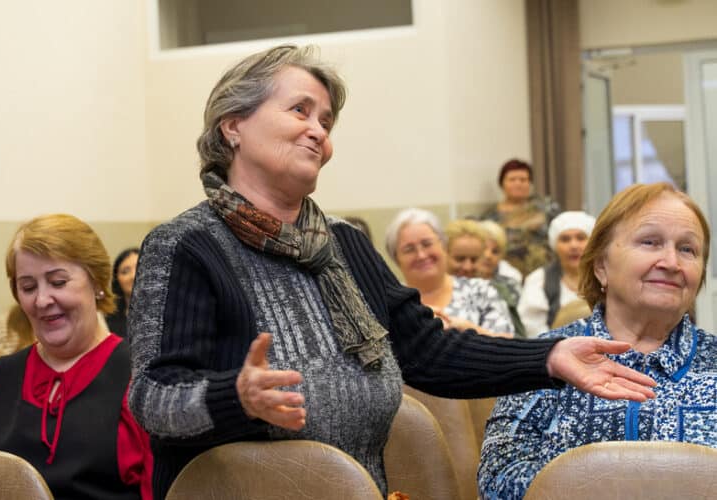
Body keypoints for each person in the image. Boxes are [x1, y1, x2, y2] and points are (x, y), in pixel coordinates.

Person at [125, 44, 655, 499]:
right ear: (233, 125)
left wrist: (549, 357)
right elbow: (153, 399)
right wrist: (236, 397)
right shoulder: (187, 245)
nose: (317, 132)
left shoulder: (344, 243)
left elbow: (427, 351)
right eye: (300, 110)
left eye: (326, 121)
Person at [479, 183, 716, 499]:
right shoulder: (543, 359)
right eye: (650, 242)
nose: (672, 263)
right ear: (601, 266)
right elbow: (497, 480)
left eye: (688, 249)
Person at [0, 214, 152, 500]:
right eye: (28, 287)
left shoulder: (142, 379)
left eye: (58, 282)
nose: (42, 300)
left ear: (97, 282)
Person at [384, 209, 514, 336]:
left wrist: (469, 330)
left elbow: (509, 344)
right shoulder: (392, 304)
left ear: (443, 245)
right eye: (409, 249)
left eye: (427, 244)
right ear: (396, 258)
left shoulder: (480, 290)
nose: (421, 255)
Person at [517, 211, 596, 337]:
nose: (573, 245)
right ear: (554, 245)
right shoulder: (539, 280)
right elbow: (533, 331)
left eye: (580, 238)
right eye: (565, 239)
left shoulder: (606, 277)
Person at [480, 159, 561, 277]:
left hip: (545, 275)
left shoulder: (547, 207)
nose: (518, 184)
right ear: (502, 183)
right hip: (506, 276)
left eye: (523, 180)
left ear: (530, 183)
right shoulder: (490, 216)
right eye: (512, 179)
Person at [477, 219, 526, 337]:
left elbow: (521, 327)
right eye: (483, 249)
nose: (488, 255)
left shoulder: (510, 285)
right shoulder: (459, 283)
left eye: (495, 251)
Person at [105, 247, 140, 338]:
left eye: (140, 267)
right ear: (117, 280)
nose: (134, 276)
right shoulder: (107, 323)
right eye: (125, 272)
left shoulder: (170, 312)